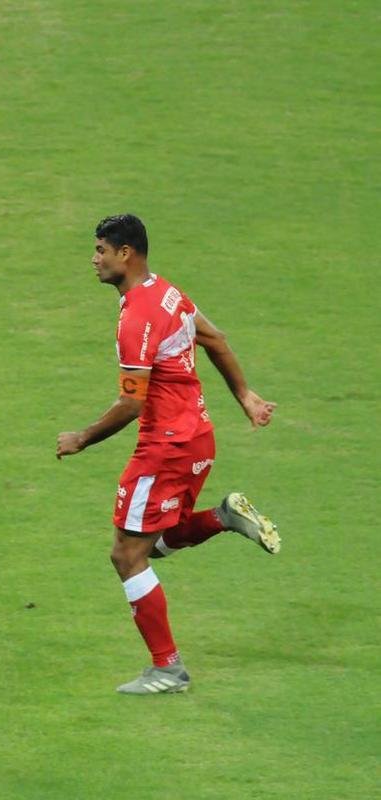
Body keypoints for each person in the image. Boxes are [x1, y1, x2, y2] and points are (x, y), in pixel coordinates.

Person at [56, 214, 280, 695]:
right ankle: (222, 517)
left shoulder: (137, 314)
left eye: (100, 250)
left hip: (166, 447)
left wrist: (82, 437)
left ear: (126, 253)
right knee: (166, 535)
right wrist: (244, 395)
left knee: (127, 554)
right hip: (198, 437)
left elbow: (131, 403)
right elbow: (215, 338)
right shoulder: (169, 293)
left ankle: (168, 668)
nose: (93, 259)